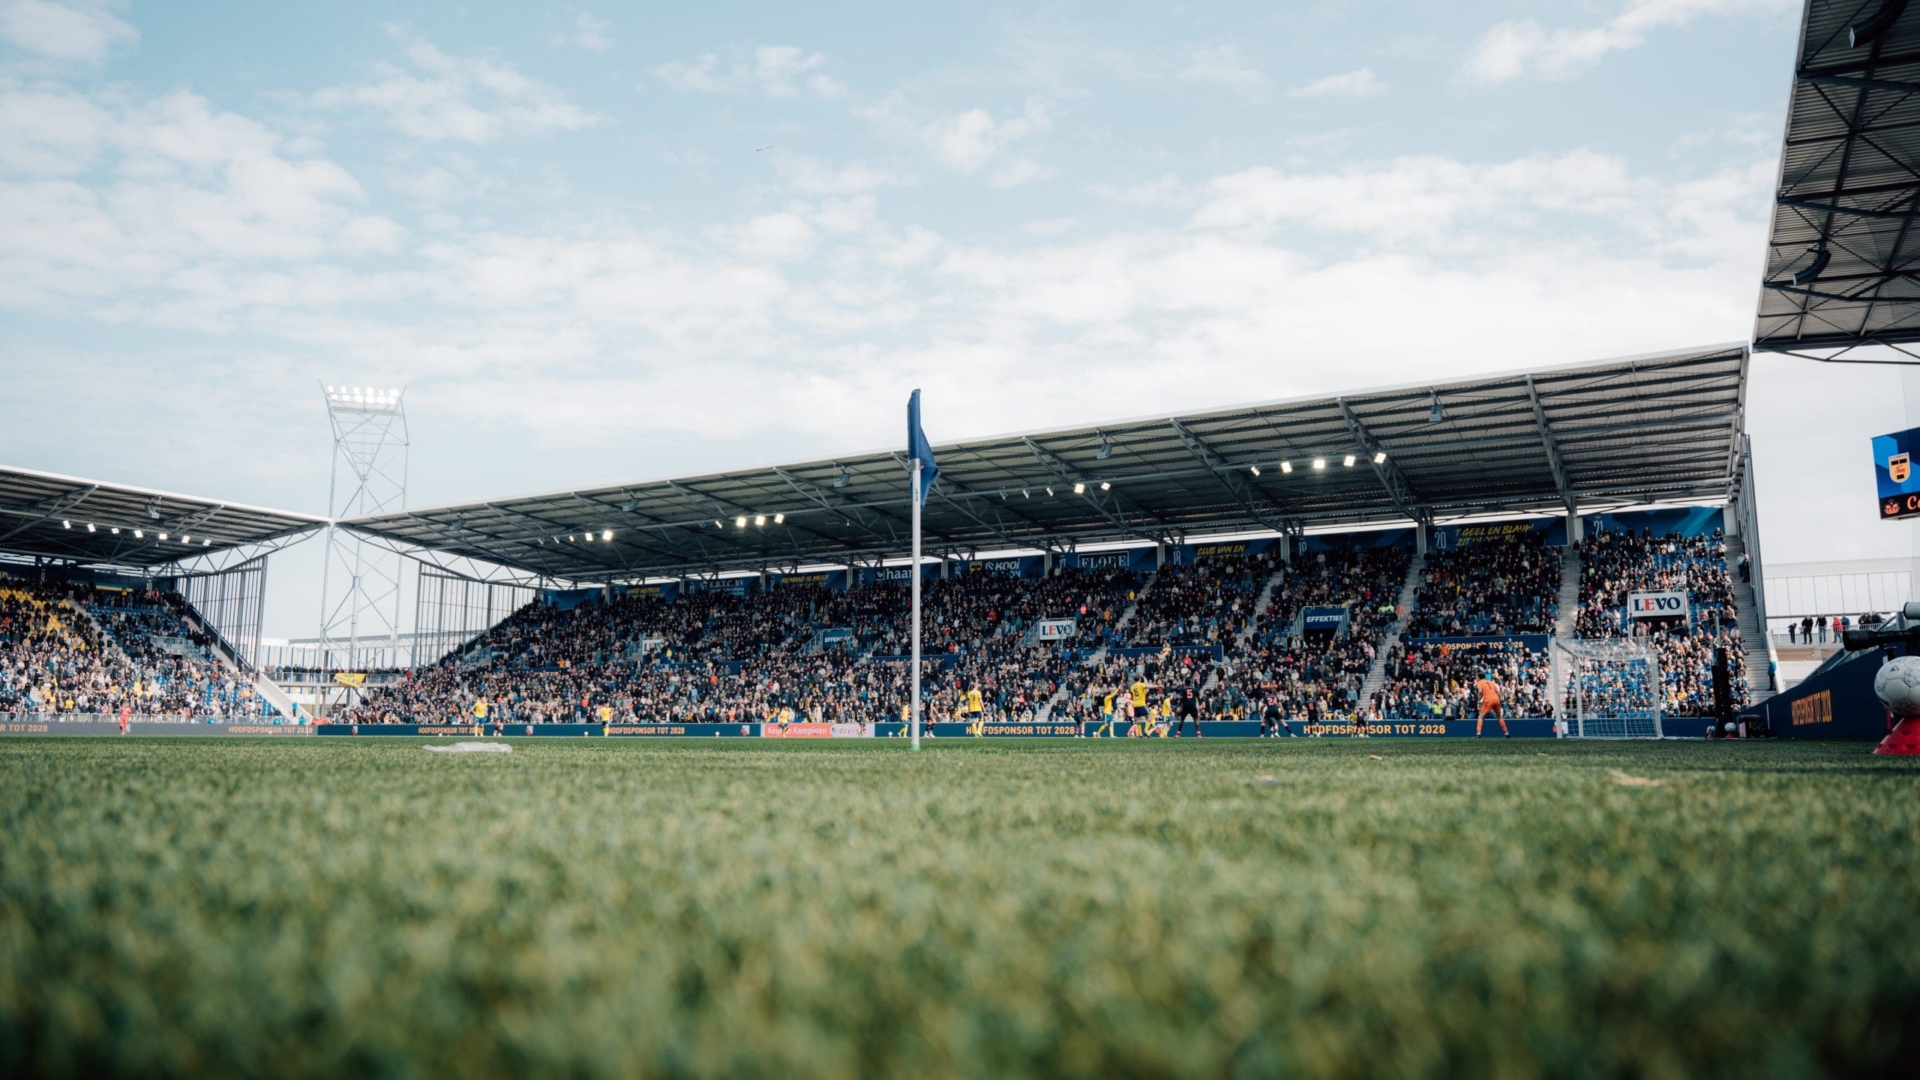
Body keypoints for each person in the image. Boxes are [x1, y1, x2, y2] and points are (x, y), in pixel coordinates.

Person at [1473, 671, 1510, 738]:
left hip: (1488, 700)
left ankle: (1478, 733)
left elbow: (1480, 692)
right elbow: (1498, 692)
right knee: (1499, 717)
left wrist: (1479, 699)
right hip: (1496, 700)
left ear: (1479, 677)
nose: (1476, 678)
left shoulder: (1479, 683)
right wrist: (1498, 700)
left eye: (1476, 677)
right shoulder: (1491, 682)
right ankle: (1506, 733)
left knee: (1480, 716)